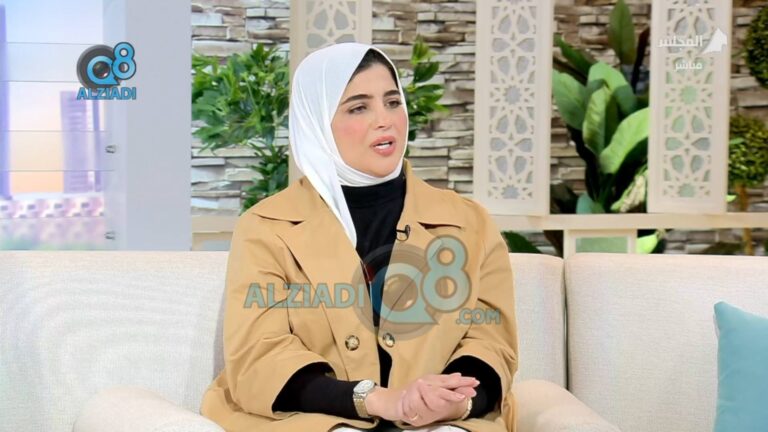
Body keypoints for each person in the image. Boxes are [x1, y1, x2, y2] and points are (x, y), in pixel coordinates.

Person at [200, 42, 518, 432]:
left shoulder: (470, 223)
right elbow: (258, 357)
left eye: (392, 102)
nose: (385, 120)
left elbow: (491, 340)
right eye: (358, 107)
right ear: (317, 122)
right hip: (313, 422)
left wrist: (452, 403)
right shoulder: (266, 227)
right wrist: (378, 400)